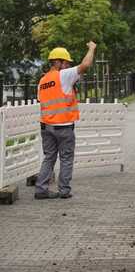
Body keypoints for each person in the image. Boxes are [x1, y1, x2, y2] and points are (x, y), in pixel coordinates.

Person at [35, 42, 96, 199]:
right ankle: (64, 191)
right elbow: (86, 64)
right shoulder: (63, 75)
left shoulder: (42, 81)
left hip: (47, 127)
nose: (68, 65)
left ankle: (41, 190)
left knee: (49, 158)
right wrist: (91, 48)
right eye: (66, 62)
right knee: (66, 158)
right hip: (64, 127)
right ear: (57, 62)